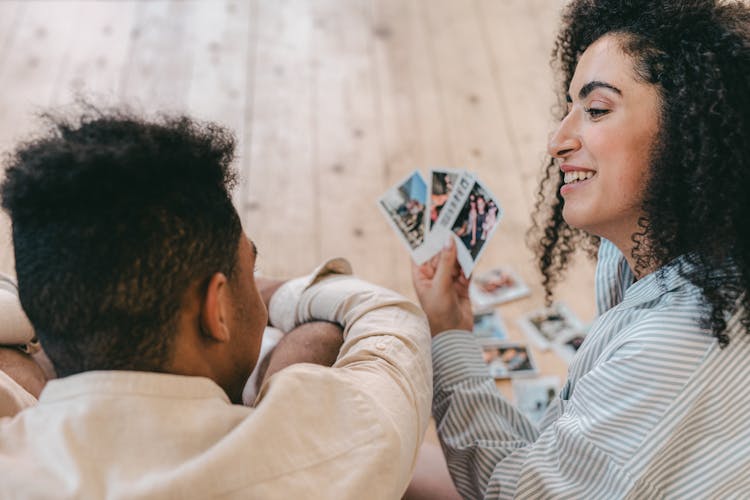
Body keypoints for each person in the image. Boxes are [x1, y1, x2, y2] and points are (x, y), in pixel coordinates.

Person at [0, 108, 432, 498]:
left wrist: (59, 309)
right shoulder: (334, 450)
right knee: (318, 339)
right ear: (216, 309)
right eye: (250, 269)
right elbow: (387, 317)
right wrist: (277, 291)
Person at [411, 0, 750, 497]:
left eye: (595, 110)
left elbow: (517, 492)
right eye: (568, 107)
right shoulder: (646, 253)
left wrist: (448, 335)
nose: (557, 139)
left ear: (688, 128)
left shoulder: (676, 343)